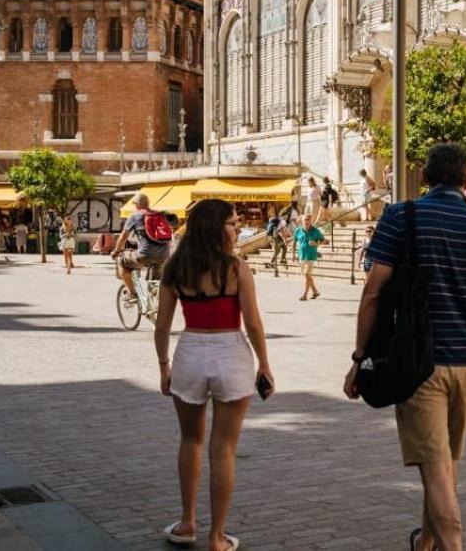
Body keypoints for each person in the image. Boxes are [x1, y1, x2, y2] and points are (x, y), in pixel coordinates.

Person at [345, 143, 466, 551]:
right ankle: (426, 543)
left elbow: (374, 292)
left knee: (436, 470)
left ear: (425, 178)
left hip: (419, 364)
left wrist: (360, 358)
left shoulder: (400, 217)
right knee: (446, 465)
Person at [155, 198, 273, 551]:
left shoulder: (175, 267)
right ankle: (217, 536)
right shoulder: (236, 267)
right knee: (224, 450)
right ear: (216, 227)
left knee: (190, 441)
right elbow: (252, 322)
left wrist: (164, 365)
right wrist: (264, 365)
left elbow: (162, 326)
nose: (237, 228)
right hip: (230, 352)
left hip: (190, 351)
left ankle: (188, 521)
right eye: (233, 222)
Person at [115, 193, 173, 299]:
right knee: (155, 282)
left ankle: (132, 293)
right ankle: (154, 304)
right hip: (164, 255)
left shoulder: (135, 216)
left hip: (145, 255)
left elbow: (123, 237)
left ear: (137, 205)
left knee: (122, 260)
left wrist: (115, 251)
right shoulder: (160, 215)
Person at [293, 214, 325, 301]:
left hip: (311, 256)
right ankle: (315, 291)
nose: (307, 221)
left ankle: (305, 295)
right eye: (305, 220)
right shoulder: (298, 230)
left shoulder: (315, 230)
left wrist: (316, 244)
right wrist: (293, 254)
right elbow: (294, 242)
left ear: (311, 221)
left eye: (308, 220)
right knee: (307, 276)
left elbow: (323, 240)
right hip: (301, 255)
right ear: (302, 221)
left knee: (307, 274)